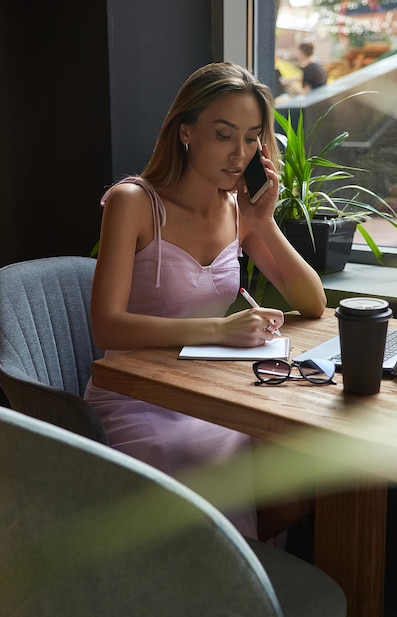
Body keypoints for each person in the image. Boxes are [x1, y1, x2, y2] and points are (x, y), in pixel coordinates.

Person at [84, 61, 326, 541]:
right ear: (186, 131)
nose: (240, 154)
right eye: (224, 135)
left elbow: (313, 302)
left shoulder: (239, 209)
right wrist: (219, 330)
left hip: (210, 394)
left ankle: (232, 585)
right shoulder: (133, 202)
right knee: (211, 492)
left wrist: (263, 221)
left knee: (296, 491)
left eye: (253, 137)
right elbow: (107, 327)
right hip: (141, 398)